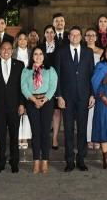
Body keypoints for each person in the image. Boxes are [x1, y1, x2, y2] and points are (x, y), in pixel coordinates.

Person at [55, 26, 95, 172]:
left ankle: (81, 159)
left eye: (77, 35)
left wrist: (92, 94)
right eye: (72, 35)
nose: (75, 37)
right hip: (67, 98)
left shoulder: (88, 52)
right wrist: (59, 95)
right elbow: (57, 75)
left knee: (82, 129)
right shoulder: (61, 52)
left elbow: (92, 74)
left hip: (84, 97)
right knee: (68, 130)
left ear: (81, 37)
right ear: (68, 37)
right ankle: (69, 160)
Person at [0, 41, 25, 173]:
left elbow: (22, 87)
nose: (6, 51)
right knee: (1, 137)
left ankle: (14, 162)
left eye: (9, 49)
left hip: (15, 107)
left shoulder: (20, 65)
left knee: (15, 137)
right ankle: (0, 162)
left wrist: (22, 104)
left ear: (12, 51)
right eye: (3, 49)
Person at [21, 47, 58, 174]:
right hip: (32, 102)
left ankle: (45, 161)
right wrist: (34, 100)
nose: (38, 56)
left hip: (46, 102)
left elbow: (53, 87)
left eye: (40, 54)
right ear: (32, 57)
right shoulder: (26, 71)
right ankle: (36, 161)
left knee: (45, 133)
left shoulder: (50, 70)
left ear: (44, 56)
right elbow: (24, 87)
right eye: (35, 54)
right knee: (35, 133)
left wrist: (44, 100)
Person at [41, 25, 63, 151]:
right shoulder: (40, 47)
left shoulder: (60, 48)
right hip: (42, 83)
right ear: (44, 34)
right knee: (44, 110)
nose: (49, 34)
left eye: (51, 32)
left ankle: (54, 138)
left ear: (55, 34)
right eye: (47, 32)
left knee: (56, 111)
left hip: (56, 82)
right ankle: (44, 137)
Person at [84, 28, 103, 150]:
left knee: (99, 113)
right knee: (89, 112)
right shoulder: (82, 51)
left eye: (93, 35)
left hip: (100, 84)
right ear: (85, 38)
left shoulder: (102, 52)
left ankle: (98, 137)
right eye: (88, 35)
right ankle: (89, 138)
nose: (91, 37)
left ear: (96, 37)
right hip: (86, 84)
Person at [14, 32, 32, 149]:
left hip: (29, 84)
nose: (22, 41)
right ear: (17, 40)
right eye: (20, 39)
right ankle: (17, 135)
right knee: (17, 110)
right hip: (15, 84)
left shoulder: (31, 52)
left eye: (25, 39)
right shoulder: (13, 52)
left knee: (27, 111)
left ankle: (24, 136)